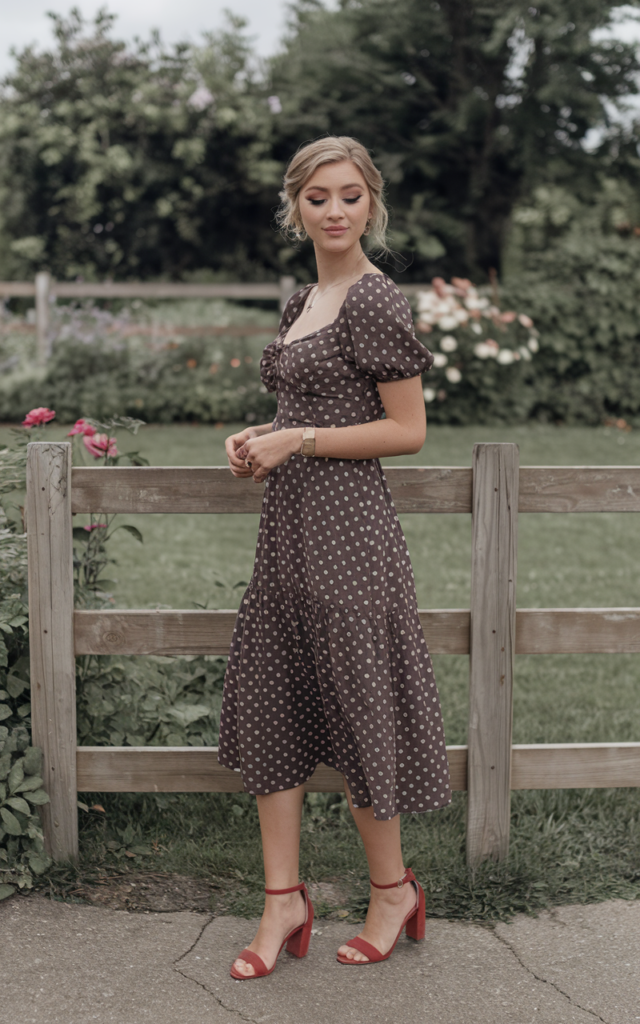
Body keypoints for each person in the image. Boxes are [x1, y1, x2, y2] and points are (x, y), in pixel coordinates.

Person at [218, 136, 451, 978]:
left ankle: (392, 889)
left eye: (350, 195)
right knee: (274, 699)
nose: (335, 211)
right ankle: (284, 900)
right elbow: (298, 411)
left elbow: (408, 431)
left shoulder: (377, 302)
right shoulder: (302, 300)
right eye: (319, 197)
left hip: (351, 533)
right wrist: (260, 439)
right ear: (296, 207)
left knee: (359, 704)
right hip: (286, 530)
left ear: (371, 203)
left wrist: (300, 440)